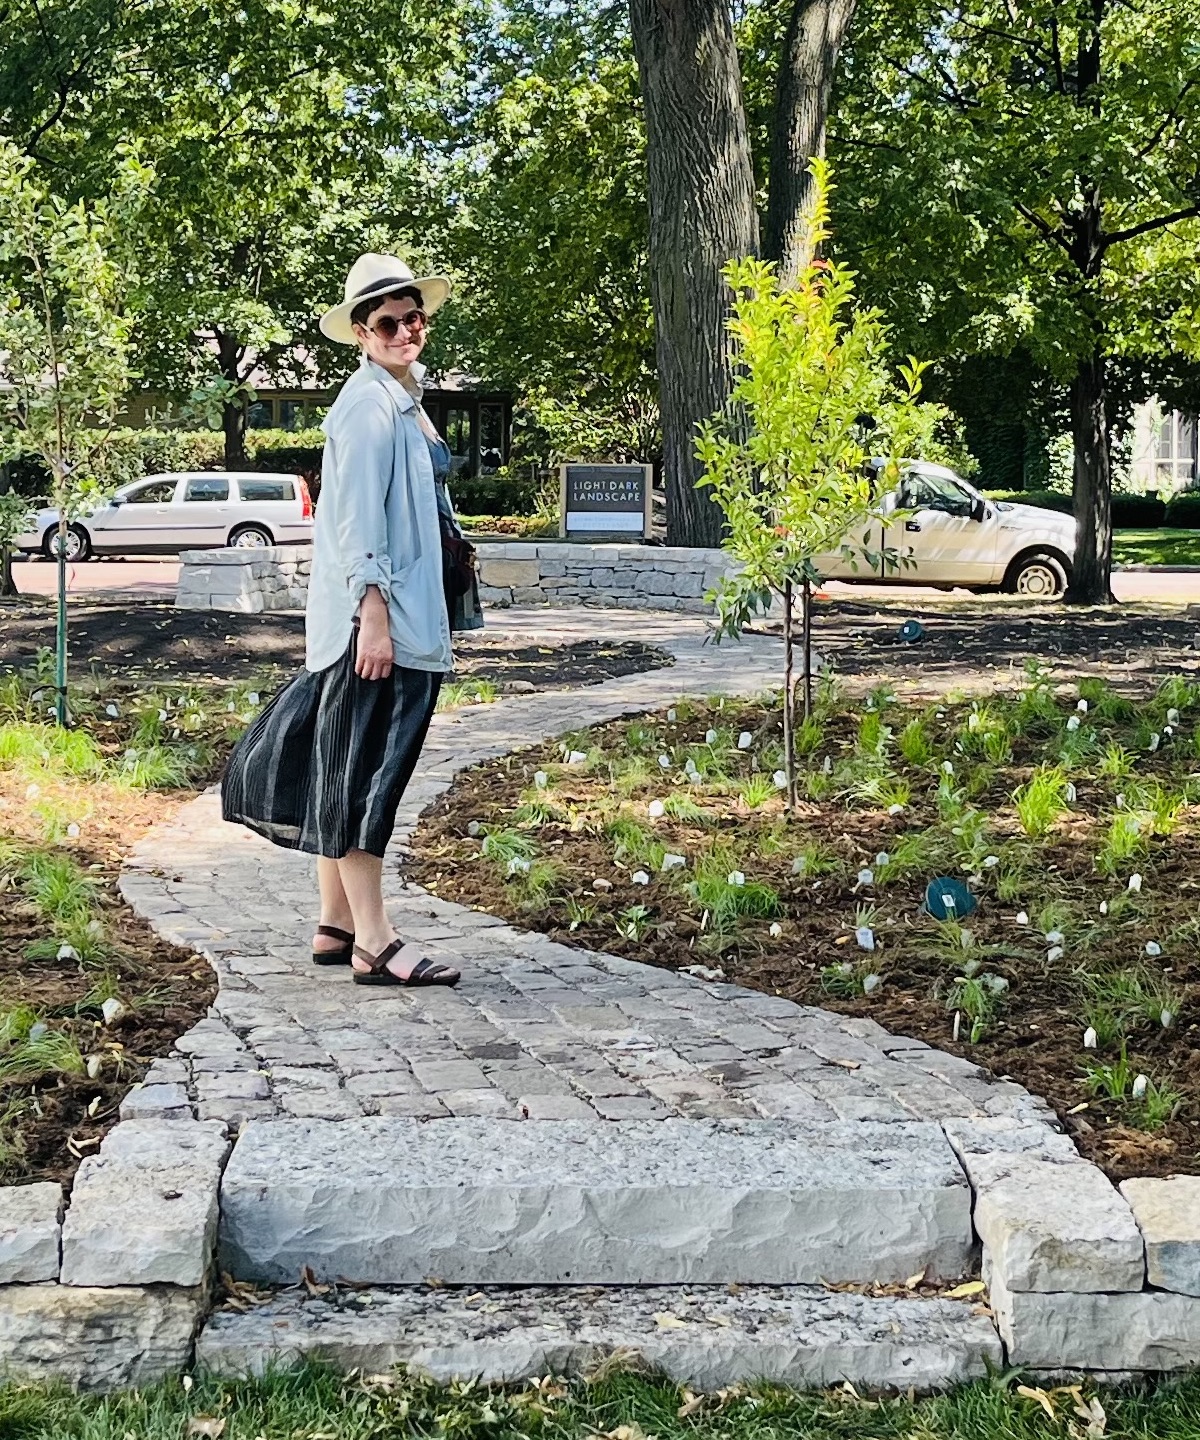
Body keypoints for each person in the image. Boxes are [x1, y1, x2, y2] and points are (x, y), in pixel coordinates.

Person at [222, 253, 479, 987]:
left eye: (414, 317)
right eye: (390, 323)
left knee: (345, 765)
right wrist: (374, 613)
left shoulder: (398, 396)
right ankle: (376, 940)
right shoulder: (368, 407)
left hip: (395, 615)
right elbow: (356, 522)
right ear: (363, 333)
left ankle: (334, 924)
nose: (406, 331)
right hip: (381, 624)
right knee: (370, 776)